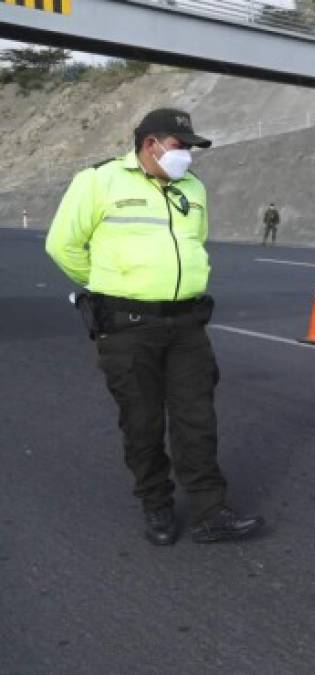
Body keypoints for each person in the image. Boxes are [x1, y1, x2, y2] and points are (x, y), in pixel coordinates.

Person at [44, 108, 265, 547]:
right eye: (181, 146)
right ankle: (157, 504)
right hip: (127, 325)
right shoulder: (98, 181)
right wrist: (105, 285)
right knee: (142, 421)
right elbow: (62, 244)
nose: (187, 156)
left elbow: (194, 242)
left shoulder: (193, 188)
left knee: (196, 419)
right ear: (152, 144)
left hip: (186, 322)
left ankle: (209, 510)